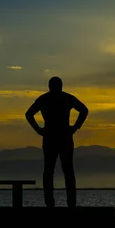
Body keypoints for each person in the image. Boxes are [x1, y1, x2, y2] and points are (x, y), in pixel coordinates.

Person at [25, 76, 88, 207]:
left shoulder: (45, 99)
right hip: (59, 138)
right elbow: (84, 110)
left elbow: (29, 114)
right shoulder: (65, 98)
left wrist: (38, 129)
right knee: (63, 171)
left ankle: (53, 203)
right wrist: (75, 127)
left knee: (53, 171)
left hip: (54, 138)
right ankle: (68, 203)